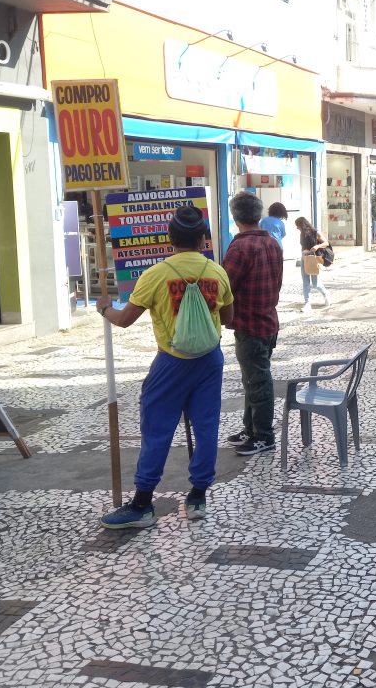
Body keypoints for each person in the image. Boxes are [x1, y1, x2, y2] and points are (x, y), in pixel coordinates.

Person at [97, 204, 233, 528]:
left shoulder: (156, 275)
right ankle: (198, 497)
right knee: (207, 427)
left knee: (157, 430)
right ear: (204, 238)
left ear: (170, 238)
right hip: (210, 361)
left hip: (171, 363)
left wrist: (104, 308)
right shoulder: (217, 272)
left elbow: (125, 320)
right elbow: (228, 320)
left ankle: (143, 504)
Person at [223, 192, 283, 457]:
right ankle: (250, 429)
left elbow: (225, 287)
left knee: (258, 381)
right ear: (258, 215)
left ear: (235, 217)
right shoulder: (272, 243)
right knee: (252, 380)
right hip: (269, 321)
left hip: (250, 325)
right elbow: (278, 283)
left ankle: (264, 436)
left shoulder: (239, 248)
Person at [295, 217, 331, 312]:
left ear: (302, 225)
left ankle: (326, 294)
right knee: (305, 281)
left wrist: (317, 246)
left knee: (316, 283)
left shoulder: (315, 232)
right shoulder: (302, 233)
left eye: (298, 226)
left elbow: (326, 243)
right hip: (304, 257)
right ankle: (307, 303)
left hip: (313, 258)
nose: (297, 228)